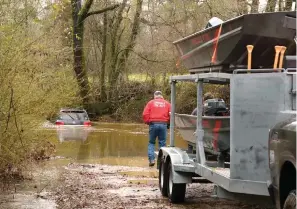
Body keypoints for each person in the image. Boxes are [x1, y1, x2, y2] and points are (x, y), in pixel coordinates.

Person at [142, 91, 171, 167]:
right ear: (162, 96)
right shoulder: (167, 103)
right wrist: (168, 123)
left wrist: (148, 122)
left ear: (155, 96)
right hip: (163, 124)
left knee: (151, 143)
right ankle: (161, 163)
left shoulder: (151, 103)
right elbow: (171, 114)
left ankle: (151, 160)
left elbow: (145, 114)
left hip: (153, 124)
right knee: (162, 143)